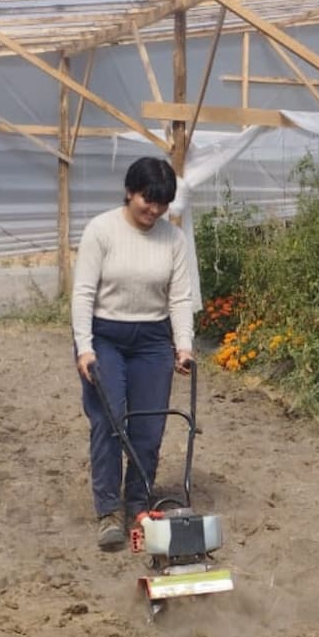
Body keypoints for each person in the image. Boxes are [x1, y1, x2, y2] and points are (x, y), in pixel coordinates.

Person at [71, 156, 194, 550]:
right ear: (130, 192)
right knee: (109, 422)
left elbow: (180, 296)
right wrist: (85, 348)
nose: (154, 210)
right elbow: (83, 294)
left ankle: (137, 504)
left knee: (149, 427)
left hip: (153, 340)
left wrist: (184, 345)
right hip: (105, 334)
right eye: (147, 200)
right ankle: (108, 511)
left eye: (162, 203)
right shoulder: (101, 231)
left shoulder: (173, 239)